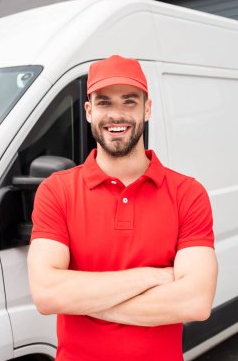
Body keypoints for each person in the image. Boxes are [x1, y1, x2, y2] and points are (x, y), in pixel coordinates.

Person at [28, 55, 218, 361]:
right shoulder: (57, 191)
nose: (116, 115)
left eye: (129, 101)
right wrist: (151, 277)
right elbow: (48, 295)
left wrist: (81, 300)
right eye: (104, 102)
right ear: (89, 112)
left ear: (147, 108)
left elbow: (195, 302)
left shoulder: (187, 193)